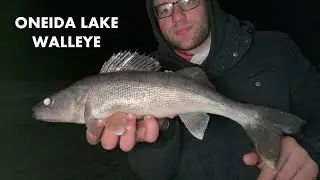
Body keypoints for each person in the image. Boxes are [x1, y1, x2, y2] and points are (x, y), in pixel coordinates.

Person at [86, 0, 320, 179]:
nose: (177, 16)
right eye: (164, 8)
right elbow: (152, 174)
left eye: (188, 1)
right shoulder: (147, 74)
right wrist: (160, 137)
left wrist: (313, 149)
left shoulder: (276, 48)